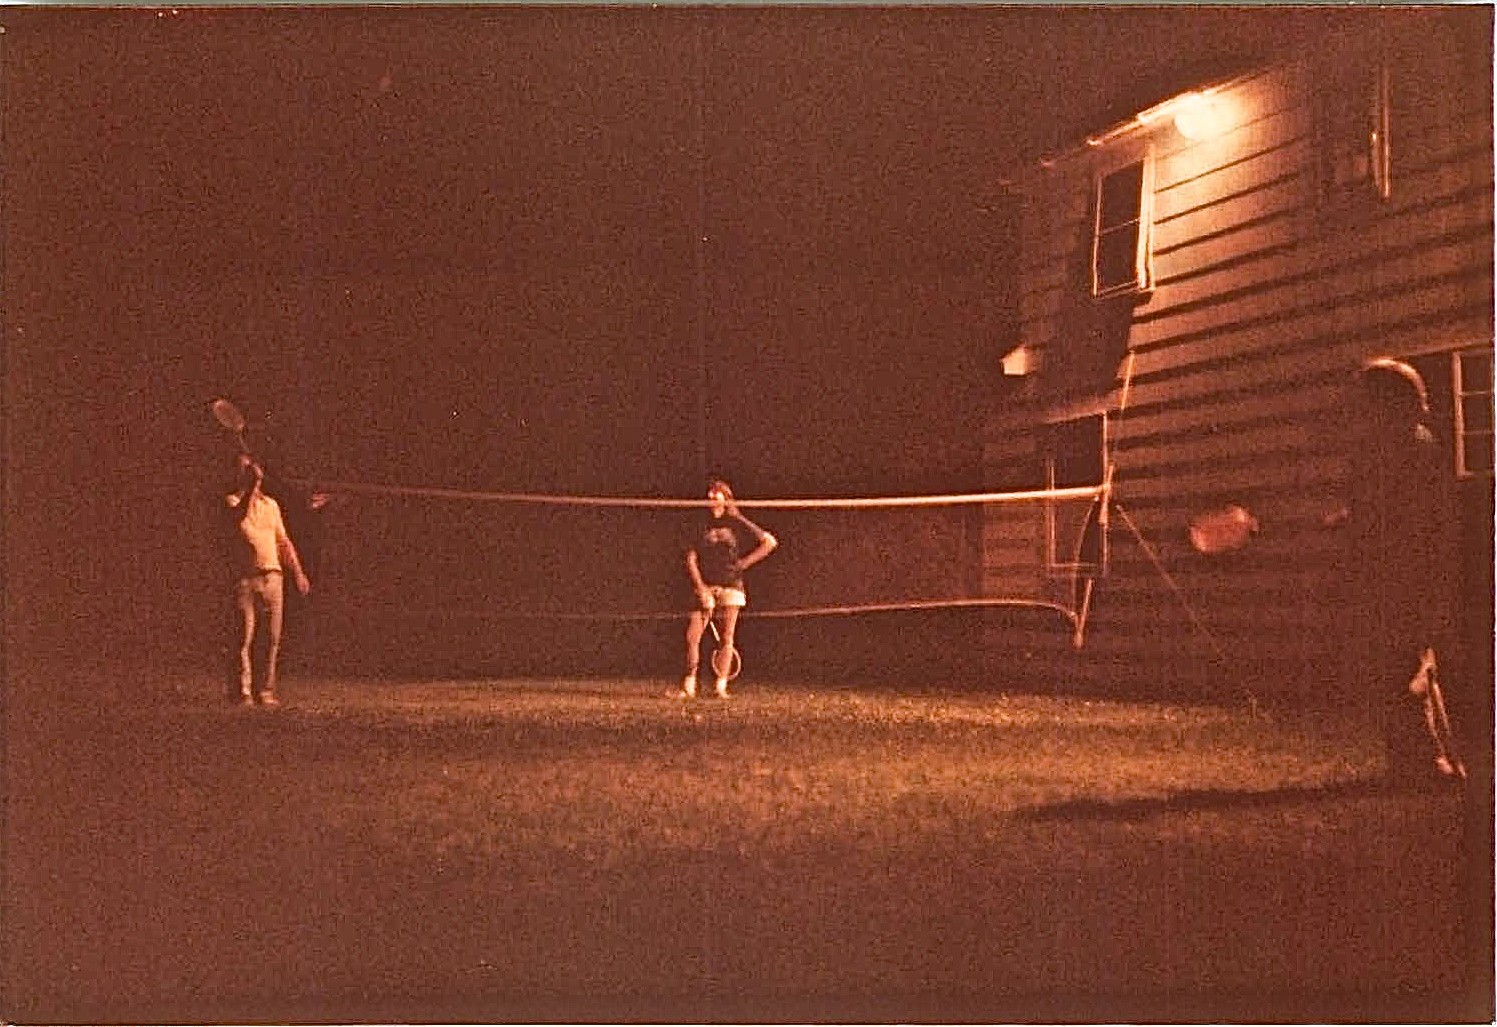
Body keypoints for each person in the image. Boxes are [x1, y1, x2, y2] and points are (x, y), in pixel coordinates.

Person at [1324, 358, 1462, 786]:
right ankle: (1417, 760)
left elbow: (1406, 517)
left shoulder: (1409, 448)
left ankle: (1424, 761)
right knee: (1403, 666)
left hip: (1405, 574)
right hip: (1395, 573)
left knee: (1408, 667)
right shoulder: (1390, 447)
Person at [224, 451, 311, 707]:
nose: (247, 472)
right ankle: (242, 693)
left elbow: (283, 542)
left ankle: (266, 691)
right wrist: (250, 488)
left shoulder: (271, 505)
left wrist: (298, 572)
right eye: (242, 469)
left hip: (273, 577)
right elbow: (238, 516)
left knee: (271, 639)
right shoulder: (231, 501)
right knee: (244, 636)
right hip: (245, 579)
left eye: (249, 467)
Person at [678, 479, 778, 699]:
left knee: (726, 638)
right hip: (706, 585)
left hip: (731, 585)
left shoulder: (736, 522)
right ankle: (689, 686)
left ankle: (721, 687)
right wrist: (701, 588)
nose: (712, 496)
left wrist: (744, 564)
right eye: (710, 493)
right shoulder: (699, 523)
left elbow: (769, 542)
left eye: (717, 493)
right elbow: (690, 558)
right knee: (692, 636)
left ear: (726, 497)